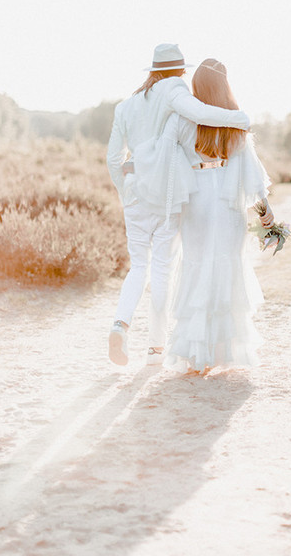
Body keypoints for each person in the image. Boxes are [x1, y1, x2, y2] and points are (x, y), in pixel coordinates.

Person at [106, 43, 250, 367]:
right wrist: (240, 119)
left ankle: (120, 325)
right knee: (162, 268)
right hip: (165, 194)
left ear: (153, 69)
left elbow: (113, 158)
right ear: (181, 70)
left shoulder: (125, 107)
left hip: (134, 194)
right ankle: (155, 350)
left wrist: (124, 193)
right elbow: (201, 114)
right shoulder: (174, 89)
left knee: (137, 266)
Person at [162, 58, 274, 375]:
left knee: (197, 270)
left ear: (196, 87)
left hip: (196, 203)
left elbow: (167, 158)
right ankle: (222, 352)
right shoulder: (236, 123)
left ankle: (197, 354)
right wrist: (266, 214)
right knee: (226, 271)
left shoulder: (183, 119)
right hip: (228, 208)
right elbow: (252, 177)